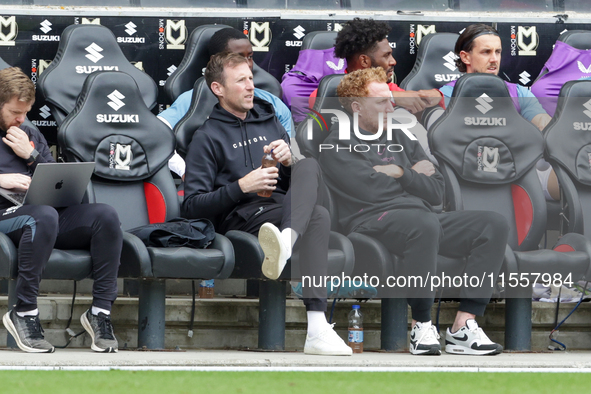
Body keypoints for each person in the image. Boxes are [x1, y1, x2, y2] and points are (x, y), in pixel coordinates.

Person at [319, 67, 509, 356]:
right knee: (423, 223)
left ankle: (463, 326)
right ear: (357, 107)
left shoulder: (400, 135)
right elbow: (372, 190)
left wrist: (400, 174)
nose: (391, 105)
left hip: (421, 218)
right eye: (381, 101)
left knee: (493, 224)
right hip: (371, 222)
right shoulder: (336, 142)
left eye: (390, 99)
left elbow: (437, 190)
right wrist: (411, 176)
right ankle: (421, 325)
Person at [181, 52, 352, 356]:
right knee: (320, 217)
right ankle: (316, 327)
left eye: (251, 78)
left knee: (308, 165)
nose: (251, 87)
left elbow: (291, 185)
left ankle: (285, 243)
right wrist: (240, 187)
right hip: (243, 219)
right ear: (218, 89)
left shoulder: (270, 119)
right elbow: (192, 206)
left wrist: (288, 163)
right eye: (241, 81)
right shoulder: (206, 137)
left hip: (282, 213)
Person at [0, 67, 122, 353]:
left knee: (105, 215)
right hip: (7, 216)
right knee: (42, 215)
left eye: (26, 112)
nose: (20, 119)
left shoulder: (28, 132)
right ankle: (24, 311)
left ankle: (100, 313)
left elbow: (59, 185)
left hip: (42, 216)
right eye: (14, 112)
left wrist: (30, 156)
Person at [438, 23, 559, 201]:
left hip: (519, 172)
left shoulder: (518, 92)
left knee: (572, 173)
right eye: (486, 52)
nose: (494, 59)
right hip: (468, 177)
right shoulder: (448, 95)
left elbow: (542, 122)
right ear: (465, 57)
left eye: (498, 52)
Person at [159, 27, 293, 179]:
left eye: (249, 57)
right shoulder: (192, 100)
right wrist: (184, 171)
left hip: (270, 190)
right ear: (215, 61)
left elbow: (292, 155)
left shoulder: (273, 103)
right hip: (219, 190)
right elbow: (155, 135)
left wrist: (288, 161)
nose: (247, 64)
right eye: (237, 57)